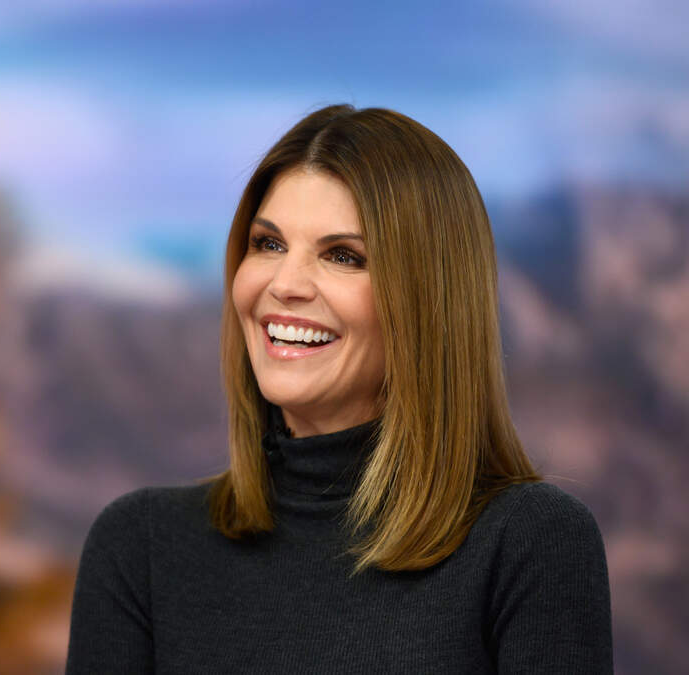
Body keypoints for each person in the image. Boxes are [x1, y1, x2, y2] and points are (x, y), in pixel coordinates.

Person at [65, 105, 613, 673]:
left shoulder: (530, 542)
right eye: (268, 244)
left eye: (343, 256)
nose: (285, 284)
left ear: (428, 302)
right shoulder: (141, 548)